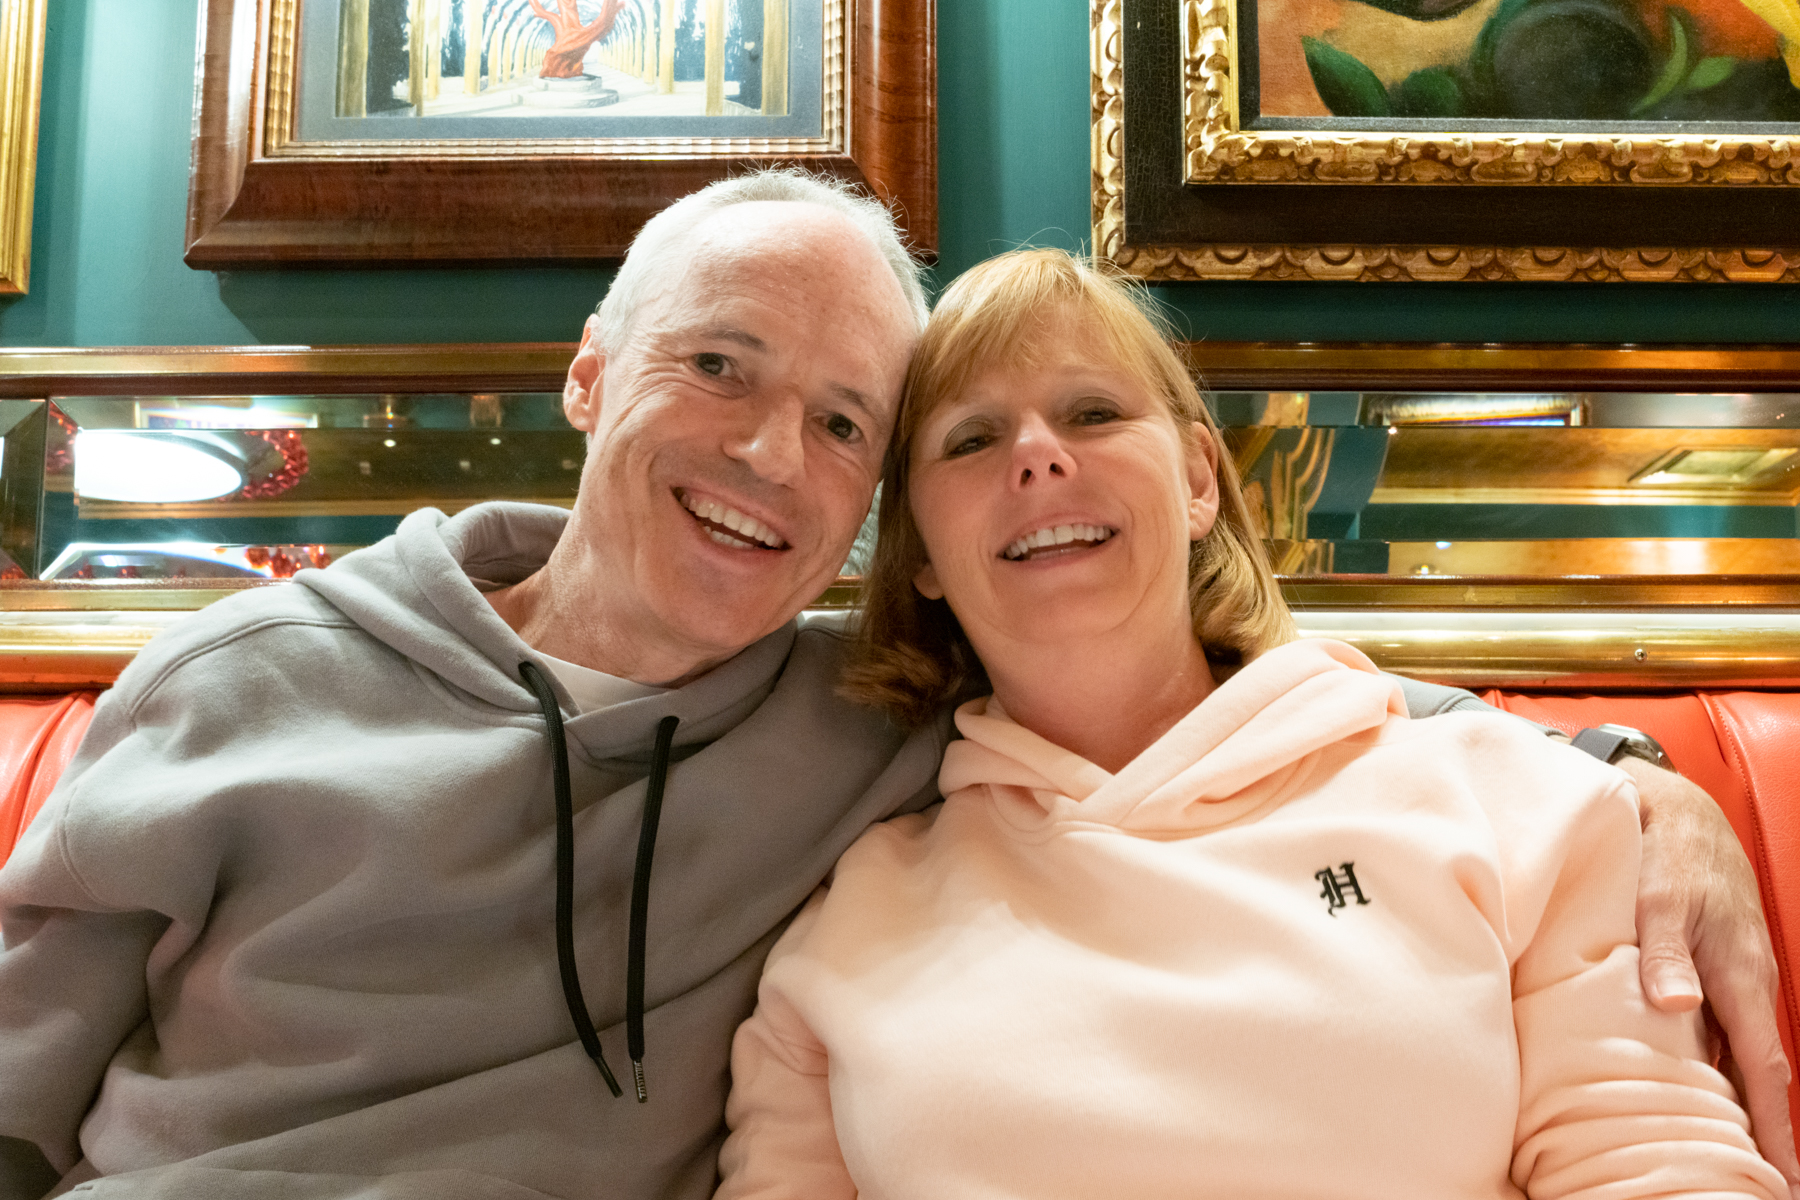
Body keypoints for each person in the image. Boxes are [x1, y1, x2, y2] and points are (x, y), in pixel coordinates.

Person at [0, 173, 1788, 1200]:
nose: (774, 452)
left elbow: (1313, 755)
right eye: (720, 367)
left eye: (846, 421)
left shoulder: (859, 741)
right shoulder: (243, 680)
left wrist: (1641, 777)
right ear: (589, 375)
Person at [714, 247, 1795, 1199]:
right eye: (972, 438)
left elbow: (1648, 1161)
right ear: (918, 557)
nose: (1038, 456)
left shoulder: (1507, 799)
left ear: (1196, 481)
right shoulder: (848, 921)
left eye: (1092, 412)